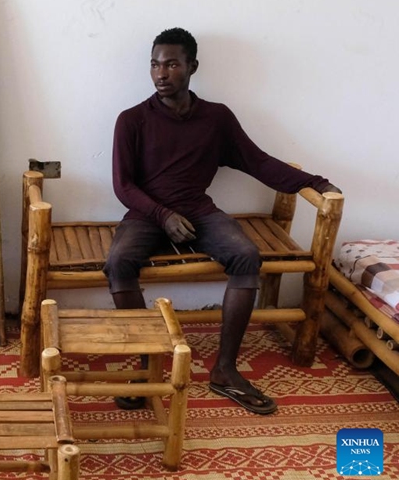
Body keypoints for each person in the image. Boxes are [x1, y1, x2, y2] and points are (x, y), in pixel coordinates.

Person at [103, 27, 341, 415]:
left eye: (172, 64)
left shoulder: (216, 118)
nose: (161, 73)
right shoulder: (131, 120)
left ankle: (225, 370)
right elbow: (123, 185)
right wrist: (163, 215)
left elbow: (258, 161)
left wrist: (313, 182)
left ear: (192, 66)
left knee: (246, 255)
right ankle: (148, 366)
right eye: (154, 64)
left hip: (198, 210)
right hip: (147, 213)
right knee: (118, 263)